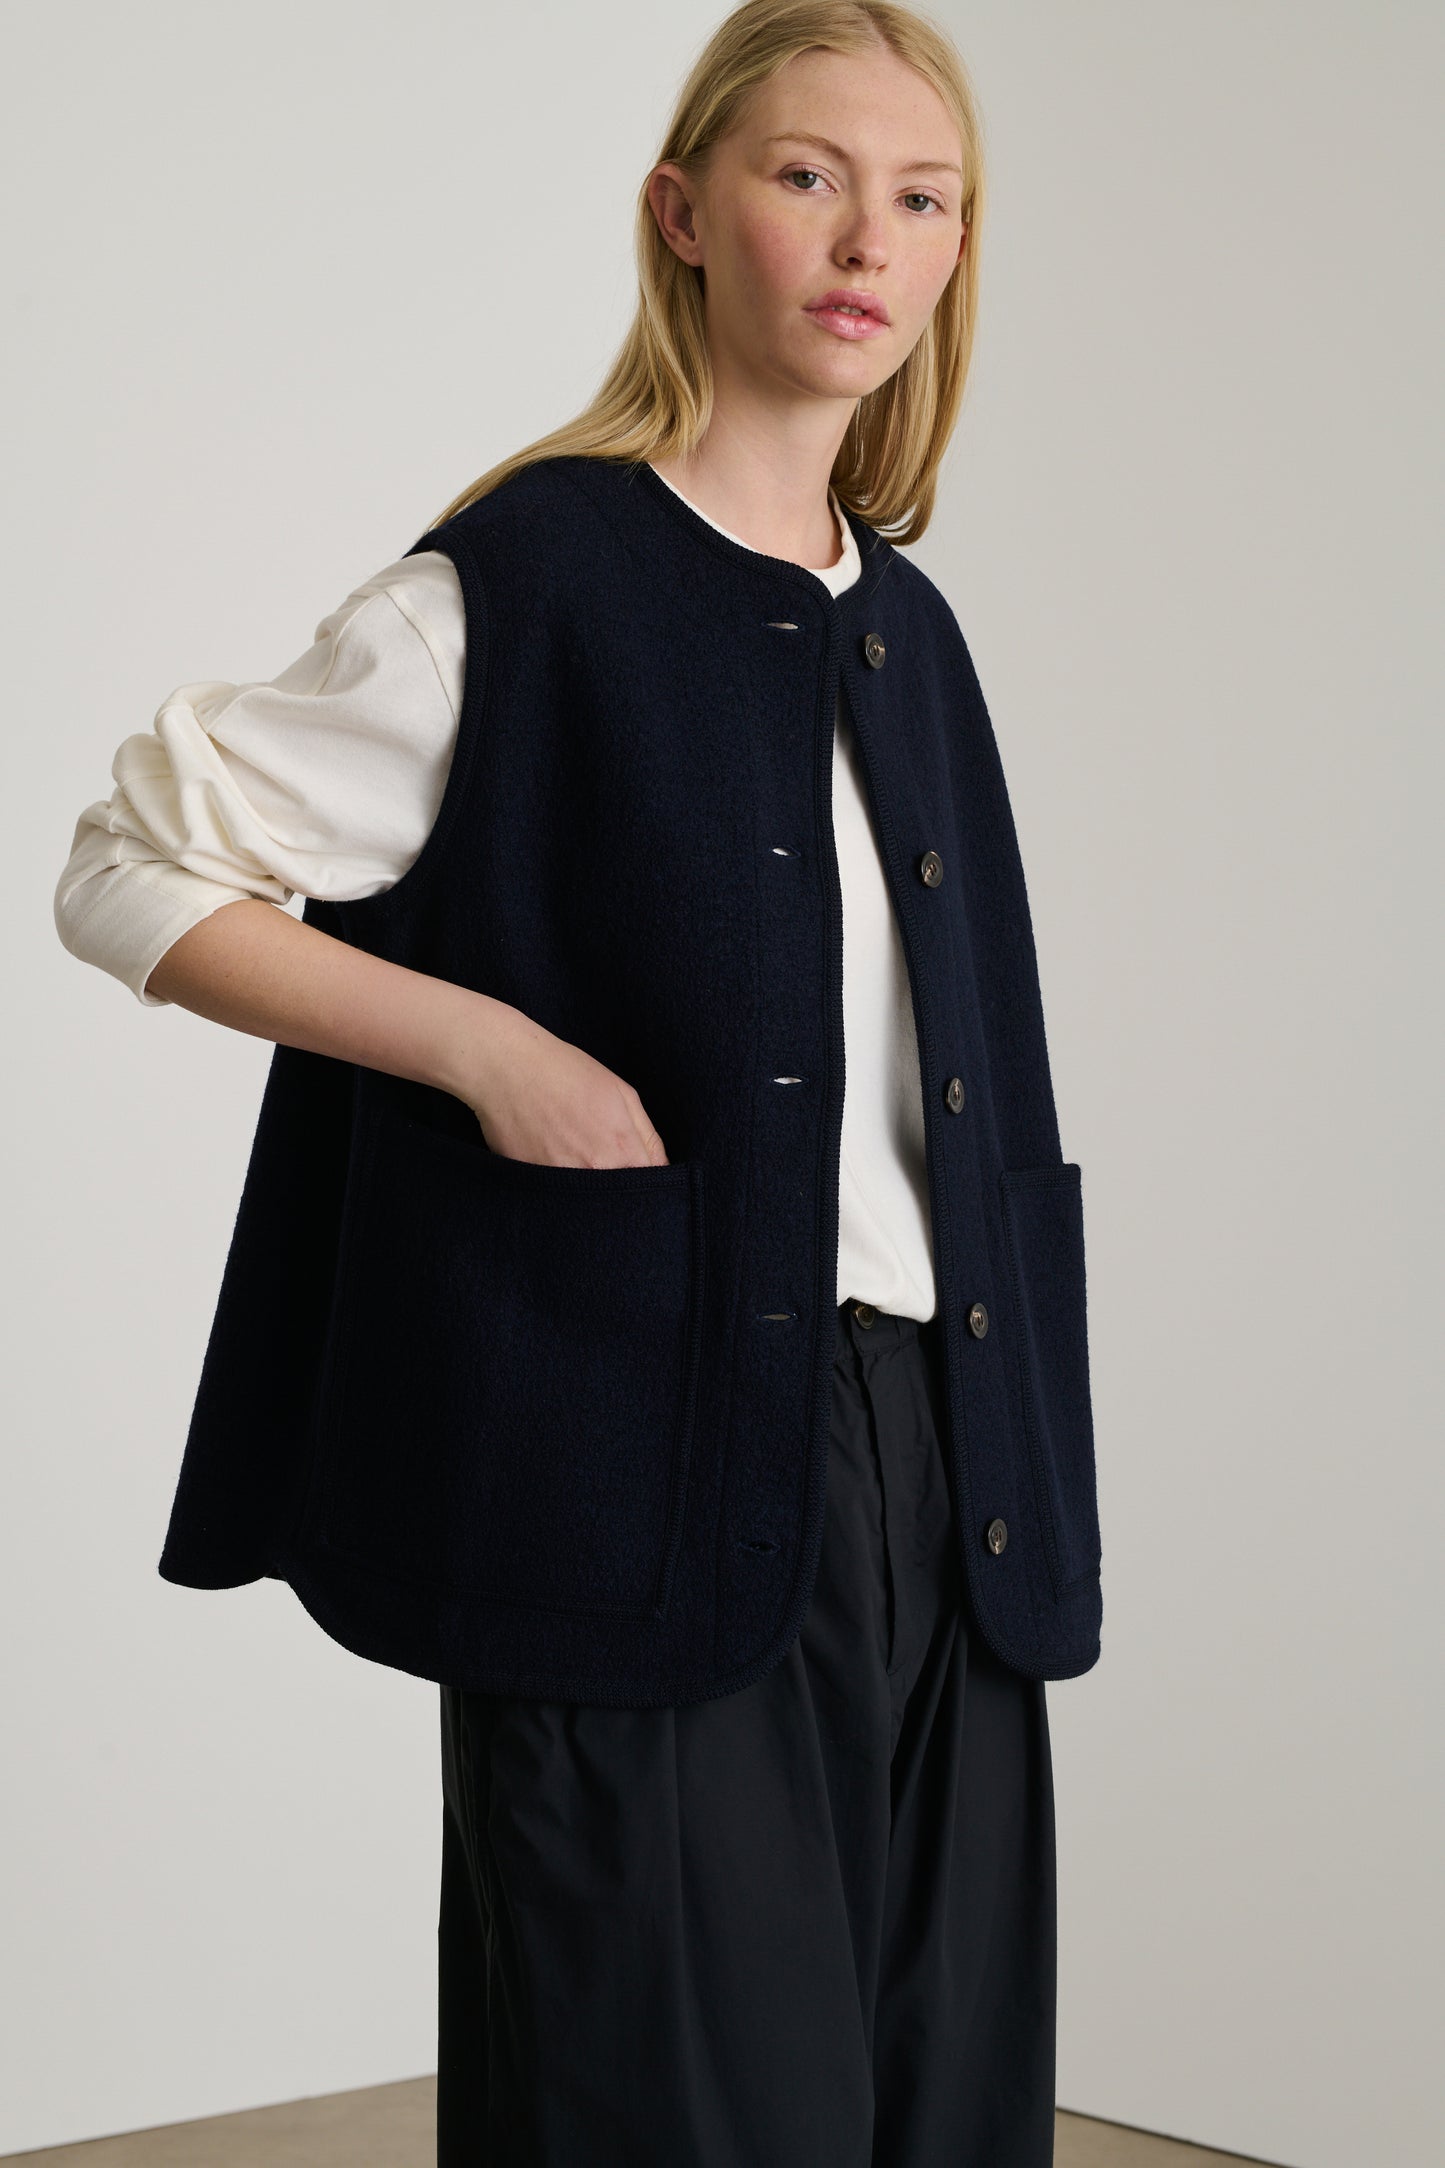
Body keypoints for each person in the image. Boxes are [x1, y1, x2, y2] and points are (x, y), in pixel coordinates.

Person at [54, 4, 1103, 2161]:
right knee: (674, 2114)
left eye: (922, 200)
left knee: (939, 2118)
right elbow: (127, 869)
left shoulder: (909, 631)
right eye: (808, 176)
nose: (868, 242)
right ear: (684, 214)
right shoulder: (525, 583)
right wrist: (482, 1045)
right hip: (634, 1455)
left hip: (944, 1465)